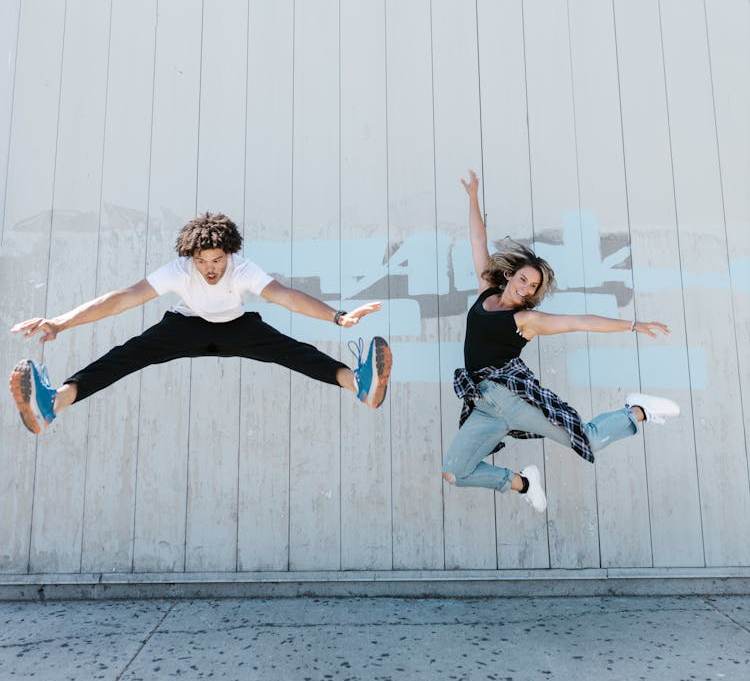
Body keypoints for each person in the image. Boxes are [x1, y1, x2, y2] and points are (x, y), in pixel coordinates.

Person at [9, 212, 392, 435]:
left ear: (230, 254)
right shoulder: (178, 271)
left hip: (238, 327)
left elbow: (286, 296)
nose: (210, 269)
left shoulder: (242, 270)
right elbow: (122, 299)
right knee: (123, 358)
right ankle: (50, 403)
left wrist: (337, 317)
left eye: (218, 260)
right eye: (203, 261)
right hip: (185, 326)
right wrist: (60, 322)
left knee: (297, 353)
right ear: (190, 256)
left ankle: (360, 384)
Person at [442, 171, 679, 512]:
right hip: (482, 407)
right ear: (510, 275)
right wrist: (473, 197)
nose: (525, 288)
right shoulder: (485, 294)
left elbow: (580, 322)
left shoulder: (527, 320)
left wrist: (632, 324)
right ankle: (523, 483)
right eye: (522, 279)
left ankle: (638, 411)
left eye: (532, 286)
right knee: (454, 472)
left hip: (513, 400)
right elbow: (478, 241)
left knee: (589, 440)